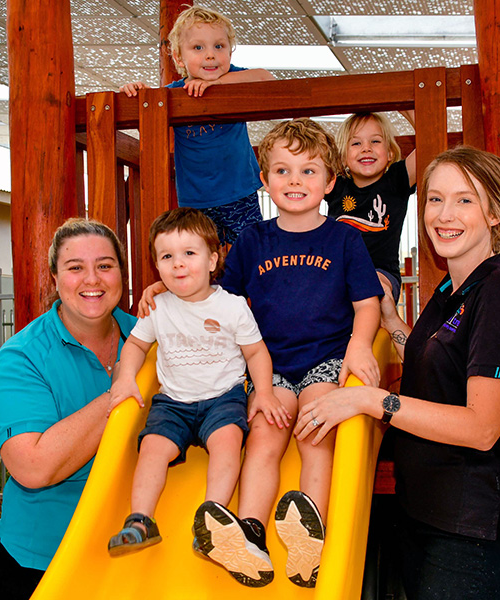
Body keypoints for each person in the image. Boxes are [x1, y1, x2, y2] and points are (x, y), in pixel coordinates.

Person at [140, 118, 383, 588]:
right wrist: (167, 286)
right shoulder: (254, 240)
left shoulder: (344, 239)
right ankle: (250, 531)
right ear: (264, 180)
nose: (296, 181)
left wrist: (357, 344)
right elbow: (218, 296)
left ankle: (311, 534)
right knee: (265, 441)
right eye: (283, 171)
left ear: (331, 181)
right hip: (270, 366)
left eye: (309, 171)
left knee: (315, 433)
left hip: (325, 358)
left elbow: (366, 304)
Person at [295, 147, 500, 600]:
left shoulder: (499, 290)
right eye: (435, 199)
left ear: (496, 213)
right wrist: (389, 319)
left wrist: (371, 401)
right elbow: (433, 366)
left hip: (468, 532)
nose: (445, 214)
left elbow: (482, 427)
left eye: (465, 200)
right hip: (421, 514)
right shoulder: (450, 287)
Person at [105, 207, 281, 556]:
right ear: (157, 265)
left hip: (223, 398)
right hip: (173, 402)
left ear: (213, 259)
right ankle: (140, 520)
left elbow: (257, 353)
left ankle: (212, 521)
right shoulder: (158, 307)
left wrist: (263, 393)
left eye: (189, 253)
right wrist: (125, 378)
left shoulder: (232, 307)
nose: (178, 264)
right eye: (167, 256)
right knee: (152, 448)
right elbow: (137, 345)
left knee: (228, 442)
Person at [0, 219, 137, 600]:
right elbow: (33, 467)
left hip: (133, 559)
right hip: (43, 562)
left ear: (122, 273)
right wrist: (120, 391)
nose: (92, 279)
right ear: (54, 278)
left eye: (105, 265)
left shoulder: (151, 339)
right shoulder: (23, 357)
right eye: (75, 268)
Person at [120, 6, 274, 246]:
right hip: (196, 201)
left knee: (251, 250)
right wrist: (137, 91)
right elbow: (151, 109)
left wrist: (220, 83)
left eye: (219, 46)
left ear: (230, 54)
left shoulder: (234, 81)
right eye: (198, 48)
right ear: (179, 57)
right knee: (200, 255)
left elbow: (266, 79)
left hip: (240, 192)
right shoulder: (174, 94)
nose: (210, 55)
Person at [326, 111, 417, 303]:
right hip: (339, 274)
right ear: (342, 157)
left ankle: (390, 321)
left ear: (390, 152)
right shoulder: (336, 185)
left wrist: (406, 109)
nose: (366, 148)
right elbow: (306, 162)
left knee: (374, 285)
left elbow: (430, 142)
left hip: (382, 273)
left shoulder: (396, 180)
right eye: (356, 143)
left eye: (375, 141)